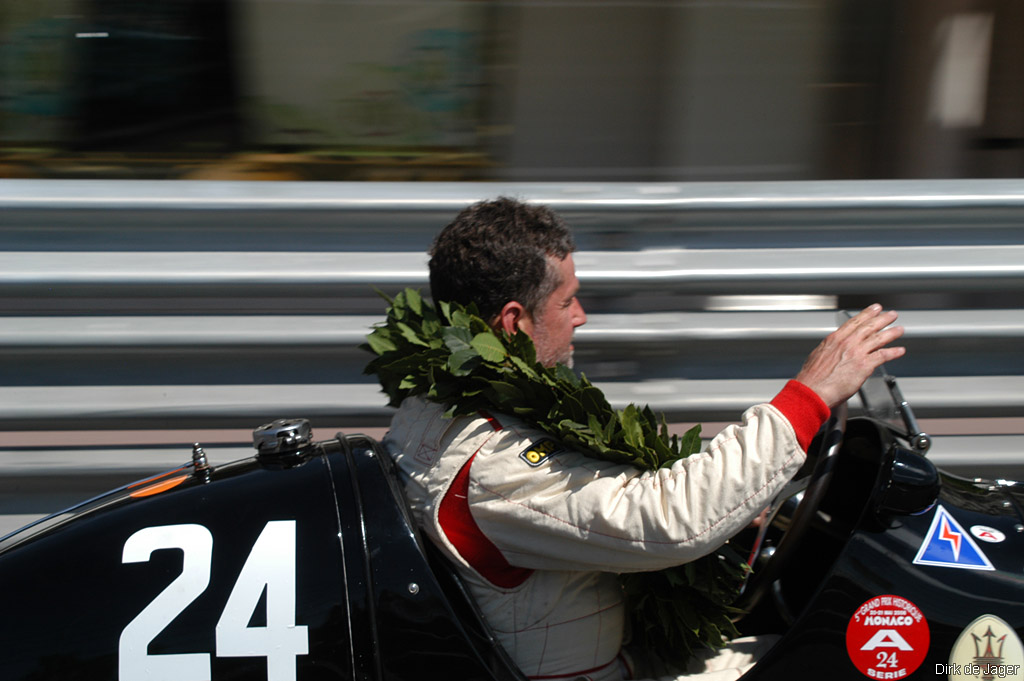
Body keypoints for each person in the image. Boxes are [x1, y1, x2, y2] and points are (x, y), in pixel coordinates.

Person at [380, 197, 905, 681]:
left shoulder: (442, 405)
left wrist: (749, 508)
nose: (581, 317)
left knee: (783, 647)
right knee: (826, 664)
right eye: (568, 302)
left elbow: (607, 501)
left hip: (616, 658)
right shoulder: (490, 467)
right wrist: (808, 397)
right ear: (514, 322)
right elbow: (667, 520)